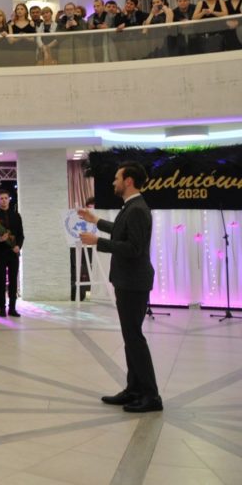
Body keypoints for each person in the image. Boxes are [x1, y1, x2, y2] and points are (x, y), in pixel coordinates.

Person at [78, 162, 162, 413]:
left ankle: (151, 396)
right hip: (128, 281)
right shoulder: (132, 207)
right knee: (130, 338)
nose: (113, 182)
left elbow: (134, 248)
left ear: (128, 181)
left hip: (133, 282)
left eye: (117, 178)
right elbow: (120, 231)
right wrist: (96, 221)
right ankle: (134, 389)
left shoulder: (137, 209)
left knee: (134, 338)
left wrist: (98, 242)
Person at [0, 190, 23, 317]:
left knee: (13, 281)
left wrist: (18, 246)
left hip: (13, 253)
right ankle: (2, 308)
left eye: (5, 198)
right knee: (0, 280)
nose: (4, 200)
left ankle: (12, 308)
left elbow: (21, 234)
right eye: (1, 198)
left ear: (9, 199)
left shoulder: (16, 216)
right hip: (0, 253)